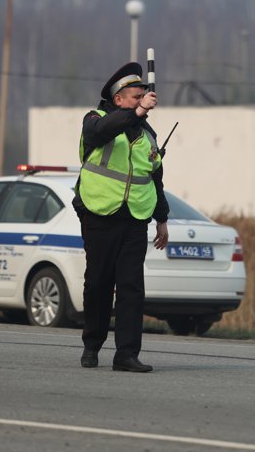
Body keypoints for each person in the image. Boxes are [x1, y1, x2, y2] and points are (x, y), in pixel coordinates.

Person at [73, 62, 169, 373]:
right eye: (135, 97)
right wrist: (137, 113)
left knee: (131, 287)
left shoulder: (147, 134)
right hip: (100, 214)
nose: (143, 101)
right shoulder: (94, 120)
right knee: (98, 284)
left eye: (145, 97)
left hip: (134, 219)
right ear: (118, 100)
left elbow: (155, 178)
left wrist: (162, 220)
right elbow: (101, 133)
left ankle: (126, 354)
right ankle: (92, 344)